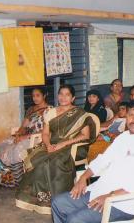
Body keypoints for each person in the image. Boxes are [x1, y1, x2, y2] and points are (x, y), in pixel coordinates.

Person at [51, 98, 134, 223]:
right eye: (131, 115)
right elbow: (103, 160)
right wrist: (83, 177)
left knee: (76, 219)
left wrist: (110, 196)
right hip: (100, 190)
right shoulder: (123, 137)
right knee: (58, 203)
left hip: (124, 202)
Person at [15, 85, 98, 214]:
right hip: (52, 145)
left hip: (73, 147)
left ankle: (55, 201)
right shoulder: (51, 112)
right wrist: (48, 145)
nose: (63, 97)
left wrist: (63, 144)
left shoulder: (80, 114)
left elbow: (85, 135)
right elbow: (45, 134)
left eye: (67, 94)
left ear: (73, 98)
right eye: (61, 94)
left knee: (53, 162)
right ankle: (34, 199)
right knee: (36, 160)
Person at [0, 87, 51, 187]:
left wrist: (24, 137)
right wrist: (18, 134)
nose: (35, 98)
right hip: (26, 136)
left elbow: (45, 131)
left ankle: (19, 180)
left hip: (38, 139)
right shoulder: (31, 110)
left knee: (17, 149)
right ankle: (7, 178)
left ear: (44, 95)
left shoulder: (50, 110)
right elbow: (23, 126)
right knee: (4, 144)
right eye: (33, 96)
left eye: (38, 95)